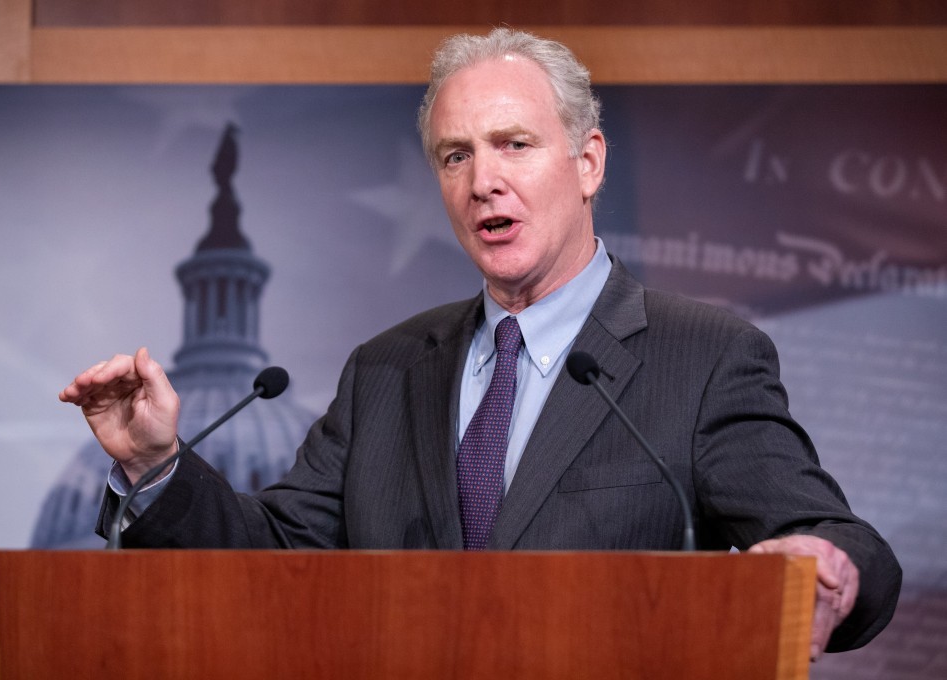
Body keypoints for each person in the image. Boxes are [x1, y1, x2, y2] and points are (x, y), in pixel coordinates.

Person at [60, 28, 900, 660]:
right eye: (455, 155)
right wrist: (156, 467)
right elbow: (274, 565)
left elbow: (837, 537)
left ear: (588, 162)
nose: (481, 180)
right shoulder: (387, 369)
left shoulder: (703, 355)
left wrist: (827, 564)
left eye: (514, 145)